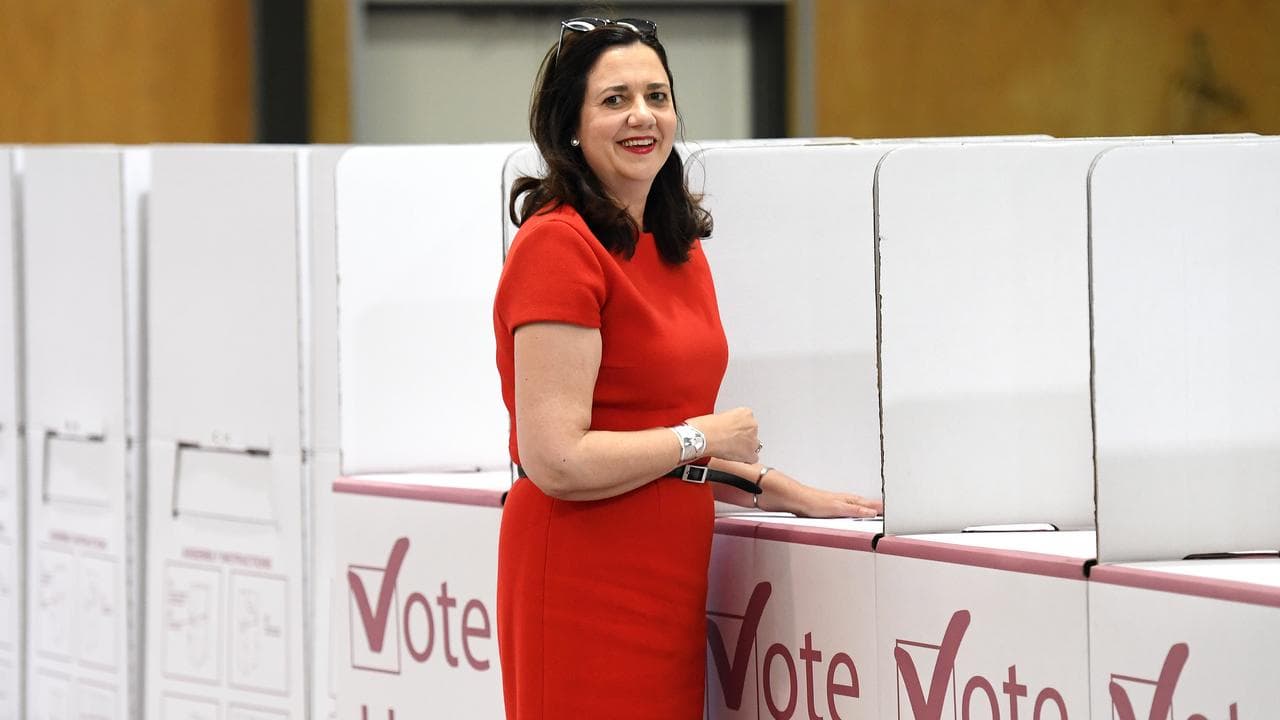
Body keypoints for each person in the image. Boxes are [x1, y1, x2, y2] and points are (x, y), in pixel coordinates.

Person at [492, 17, 883, 719]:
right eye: (614, 99)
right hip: (581, 570)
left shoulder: (676, 246)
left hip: (668, 567)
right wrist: (703, 438)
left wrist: (777, 487)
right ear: (571, 126)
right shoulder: (557, 246)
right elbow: (556, 458)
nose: (642, 115)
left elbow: (663, 437)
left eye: (657, 95)